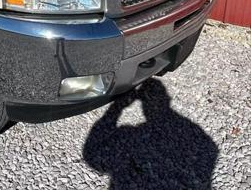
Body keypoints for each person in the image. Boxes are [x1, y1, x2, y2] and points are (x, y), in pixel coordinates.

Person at [83, 78, 218, 189]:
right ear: (167, 99)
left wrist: (116, 108)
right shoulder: (202, 140)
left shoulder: (132, 136)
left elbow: (92, 155)